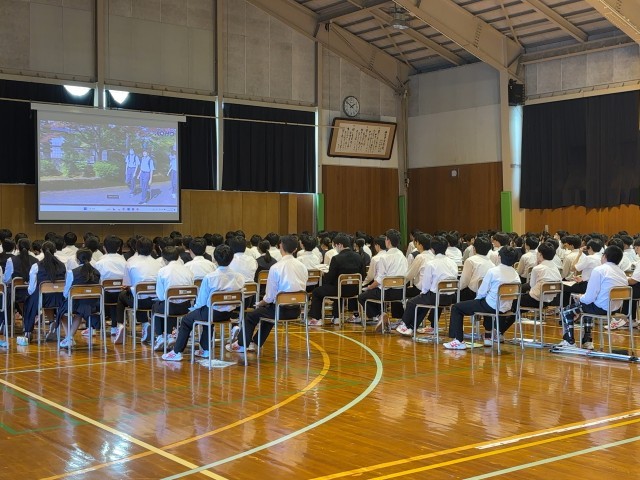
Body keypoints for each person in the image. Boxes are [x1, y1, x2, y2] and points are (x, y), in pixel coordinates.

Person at [226, 235, 308, 353]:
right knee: (266, 313)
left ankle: (241, 344)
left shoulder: (276, 267)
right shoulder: (302, 267)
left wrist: (261, 303)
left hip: (280, 310)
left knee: (251, 316)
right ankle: (255, 343)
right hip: (296, 310)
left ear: (280, 247)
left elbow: (269, 297)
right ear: (295, 249)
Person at [162, 244, 244, 361]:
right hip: (229, 313)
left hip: (211, 312)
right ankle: (205, 350)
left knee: (186, 320)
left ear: (215, 258)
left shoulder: (210, 277)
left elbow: (201, 302)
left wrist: (194, 309)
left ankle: (177, 352)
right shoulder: (239, 277)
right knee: (206, 317)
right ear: (232, 258)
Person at [443, 246, 521, 350]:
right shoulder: (515, 274)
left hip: (492, 305)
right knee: (486, 302)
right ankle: (488, 337)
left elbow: (482, 292)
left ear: (499, 257)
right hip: (506, 307)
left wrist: (476, 302)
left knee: (456, 308)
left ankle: (458, 340)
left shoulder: (493, 271)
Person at [558, 245, 628, 350]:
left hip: (600, 307)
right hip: (614, 308)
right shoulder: (621, 273)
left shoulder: (599, 270)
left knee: (566, 311)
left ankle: (569, 341)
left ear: (604, 256)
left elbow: (589, 298)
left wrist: (580, 297)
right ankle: (587, 340)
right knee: (587, 308)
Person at [395, 236, 458, 336]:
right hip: (450, 298)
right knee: (422, 304)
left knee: (411, 302)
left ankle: (404, 324)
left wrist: (423, 293)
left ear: (432, 249)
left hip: (435, 296)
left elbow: (426, 285)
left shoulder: (431, 264)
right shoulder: (452, 262)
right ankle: (411, 327)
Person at [308, 233, 365, 326]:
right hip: (355, 290)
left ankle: (317, 318)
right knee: (338, 287)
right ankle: (337, 317)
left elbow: (329, 278)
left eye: (335, 246)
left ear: (340, 245)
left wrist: (324, 274)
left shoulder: (336, 258)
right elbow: (363, 275)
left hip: (339, 290)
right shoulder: (358, 257)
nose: (335, 248)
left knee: (316, 292)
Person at [357, 229, 408, 332]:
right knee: (372, 292)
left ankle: (380, 315)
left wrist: (369, 287)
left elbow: (379, 279)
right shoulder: (403, 257)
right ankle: (392, 318)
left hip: (386, 293)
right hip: (401, 292)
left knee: (362, 296)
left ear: (388, 241)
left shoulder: (384, 258)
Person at [115, 237, 161, 344]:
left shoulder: (131, 262)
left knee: (123, 295)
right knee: (138, 294)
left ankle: (120, 324)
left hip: (139, 301)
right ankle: (146, 325)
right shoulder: (158, 263)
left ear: (136, 248)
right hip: (156, 301)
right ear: (152, 248)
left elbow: (126, 284)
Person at [21, 241, 67, 343]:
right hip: (60, 299)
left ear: (42, 250)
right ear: (55, 251)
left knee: (29, 300)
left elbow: (31, 288)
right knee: (50, 298)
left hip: (43, 299)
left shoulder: (36, 266)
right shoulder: (63, 265)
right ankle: (51, 323)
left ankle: (28, 331)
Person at [151, 246, 195, 351]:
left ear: (164, 259)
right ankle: (171, 335)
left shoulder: (162, 271)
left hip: (169, 307)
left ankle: (161, 337)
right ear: (178, 256)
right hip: (186, 307)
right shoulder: (187, 270)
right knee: (169, 304)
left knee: (157, 306)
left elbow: (160, 296)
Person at [57, 249, 101, 349]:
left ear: (77, 260)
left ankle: (69, 337)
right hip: (93, 305)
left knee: (61, 312)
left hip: (76, 304)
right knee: (80, 312)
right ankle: (69, 338)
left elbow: (66, 293)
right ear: (91, 258)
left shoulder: (72, 272)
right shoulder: (97, 272)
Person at [518, 242, 562, 308]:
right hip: (551, 300)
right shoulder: (555, 268)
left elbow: (532, 285)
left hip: (536, 300)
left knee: (515, 299)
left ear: (540, 254)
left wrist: (536, 264)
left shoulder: (537, 268)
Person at [458, 235, 494, 301]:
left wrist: (457, 289)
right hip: (487, 295)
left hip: (472, 294)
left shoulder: (470, 260)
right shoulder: (492, 264)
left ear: (474, 248)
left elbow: (464, 282)